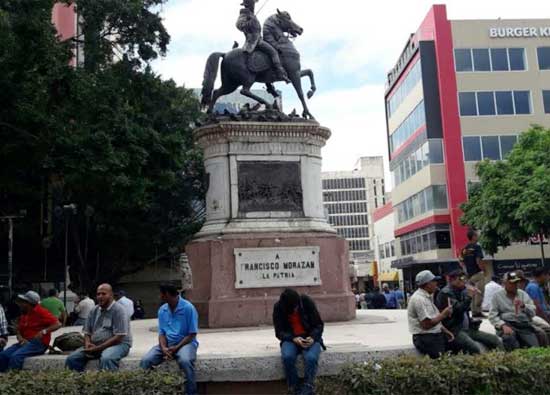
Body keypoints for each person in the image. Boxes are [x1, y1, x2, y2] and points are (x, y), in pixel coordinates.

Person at [140, 284, 199, 395]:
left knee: (185, 361)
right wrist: (163, 348)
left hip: (186, 343)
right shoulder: (162, 310)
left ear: (166, 294)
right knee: (146, 361)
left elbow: (192, 334)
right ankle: (149, 390)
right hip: (167, 345)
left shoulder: (188, 308)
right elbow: (162, 333)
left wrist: (176, 348)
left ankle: (191, 392)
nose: (160, 297)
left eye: (161, 294)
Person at [65, 284, 132, 371]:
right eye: (98, 294)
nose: (100, 296)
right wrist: (87, 343)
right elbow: (87, 332)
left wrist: (98, 348)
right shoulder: (94, 310)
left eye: (104, 294)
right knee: (72, 358)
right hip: (95, 345)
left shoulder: (119, 310)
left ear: (111, 295)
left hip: (119, 344)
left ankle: (108, 384)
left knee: (107, 358)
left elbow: (119, 337)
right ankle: (78, 383)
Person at [435, 270, 503, 354]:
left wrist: (473, 322)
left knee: (495, 340)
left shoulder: (462, 291)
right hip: (454, 330)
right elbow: (458, 309)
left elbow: (466, 311)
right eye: (460, 279)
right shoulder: (446, 293)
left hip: (467, 329)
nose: (463, 281)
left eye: (465, 279)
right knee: (474, 348)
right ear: (451, 280)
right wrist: (470, 296)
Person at [273, 289, 325, 395]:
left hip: (309, 338)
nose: (294, 310)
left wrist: (313, 337)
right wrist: (293, 338)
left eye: (295, 307)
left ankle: (308, 386)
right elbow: (279, 332)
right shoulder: (279, 307)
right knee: (287, 357)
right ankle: (294, 387)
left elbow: (319, 325)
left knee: (311, 358)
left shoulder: (306, 302)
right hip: (291, 339)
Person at [0, 291, 61, 371]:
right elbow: (19, 330)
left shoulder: (41, 311)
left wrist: (43, 332)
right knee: (3, 355)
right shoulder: (24, 314)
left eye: (22, 302)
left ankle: (13, 380)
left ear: (28, 303)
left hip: (38, 343)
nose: (20, 304)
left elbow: (57, 324)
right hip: (25, 342)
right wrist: (20, 337)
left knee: (16, 357)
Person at [236, 0, 290, 83]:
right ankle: (280, 73)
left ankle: (269, 81)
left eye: (253, 3)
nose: (254, 5)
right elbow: (239, 25)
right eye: (252, 3)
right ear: (248, 4)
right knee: (273, 52)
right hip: (253, 41)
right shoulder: (244, 15)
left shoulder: (251, 14)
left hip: (259, 39)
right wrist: (250, 22)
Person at [408, 270, 454, 359]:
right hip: (425, 337)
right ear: (428, 284)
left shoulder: (426, 297)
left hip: (432, 335)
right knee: (441, 361)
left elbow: (433, 317)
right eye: (434, 281)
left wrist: (445, 331)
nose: (436, 284)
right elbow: (426, 324)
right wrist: (444, 314)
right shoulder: (419, 299)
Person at [488, 272, 539, 351]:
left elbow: (533, 312)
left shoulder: (523, 294)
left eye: (516, 282)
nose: (515, 285)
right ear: (505, 283)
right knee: (509, 339)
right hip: (507, 324)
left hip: (523, 324)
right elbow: (492, 316)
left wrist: (523, 306)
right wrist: (502, 325)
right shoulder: (497, 296)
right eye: (512, 283)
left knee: (534, 348)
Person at [460, 230, 487, 317]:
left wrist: (465, 270)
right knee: (479, 292)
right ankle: (478, 311)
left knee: (472, 292)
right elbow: (478, 260)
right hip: (478, 273)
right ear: (474, 237)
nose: (478, 236)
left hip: (469, 275)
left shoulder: (465, 249)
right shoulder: (477, 247)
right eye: (477, 235)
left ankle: (474, 311)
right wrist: (484, 270)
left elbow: (460, 261)